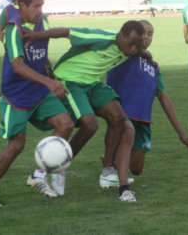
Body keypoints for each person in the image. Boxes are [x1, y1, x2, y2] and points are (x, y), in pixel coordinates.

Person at [23, 20, 149, 201]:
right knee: (90, 125)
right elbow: (66, 31)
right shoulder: (101, 38)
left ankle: (107, 171)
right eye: (131, 44)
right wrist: (35, 36)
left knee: (118, 117)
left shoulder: (132, 48)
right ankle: (60, 165)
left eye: (138, 45)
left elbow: (140, 50)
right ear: (120, 36)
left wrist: (146, 54)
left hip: (92, 83)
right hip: (70, 80)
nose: (133, 49)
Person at [0, 0, 74, 206]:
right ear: (22, 5)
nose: (40, 10)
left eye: (42, 5)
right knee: (16, 145)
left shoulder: (43, 22)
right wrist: (49, 81)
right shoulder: (14, 28)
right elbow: (18, 66)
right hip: (16, 96)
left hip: (39, 91)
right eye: (36, 6)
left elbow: (42, 53)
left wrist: (51, 74)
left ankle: (39, 174)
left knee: (66, 124)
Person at [106, 20, 188, 179]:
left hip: (143, 120)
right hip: (122, 114)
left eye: (150, 34)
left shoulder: (154, 67)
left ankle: (112, 160)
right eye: (143, 33)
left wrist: (182, 134)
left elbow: (164, 99)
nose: (146, 37)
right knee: (124, 150)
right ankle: (115, 173)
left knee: (137, 169)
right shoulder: (123, 52)